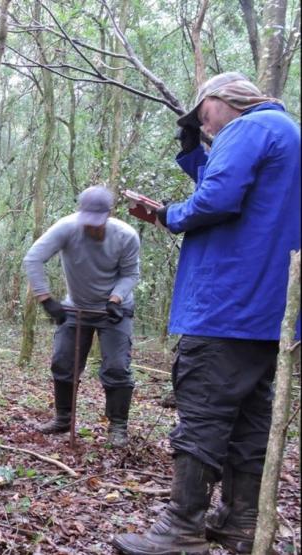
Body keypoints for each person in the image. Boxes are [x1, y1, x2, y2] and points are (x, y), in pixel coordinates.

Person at [113, 72, 301, 555]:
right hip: (270, 312)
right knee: (249, 419)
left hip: (227, 303)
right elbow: (237, 190)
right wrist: (194, 152)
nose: (205, 125)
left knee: (203, 411)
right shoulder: (286, 134)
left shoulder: (250, 128)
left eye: (203, 115)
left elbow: (216, 198)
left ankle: (181, 528)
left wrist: (168, 215)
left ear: (223, 100)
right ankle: (240, 522)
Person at [23, 185, 141, 449]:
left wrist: (116, 298)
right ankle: (63, 418)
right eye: (88, 222)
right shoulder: (66, 228)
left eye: (98, 223)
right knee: (63, 361)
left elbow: (131, 273)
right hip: (76, 307)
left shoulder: (126, 236)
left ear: (109, 215)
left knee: (116, 367)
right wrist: (46, 299)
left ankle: (118, 426)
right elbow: (33, 259)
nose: (92, 228)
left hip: (114, 310)